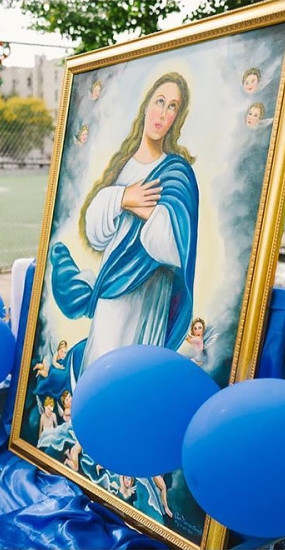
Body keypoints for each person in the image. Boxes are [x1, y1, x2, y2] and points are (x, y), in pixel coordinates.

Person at [50, 72, 199, 375]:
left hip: (149, 292)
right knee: (101, 362)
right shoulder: (122, 165)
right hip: (112, 289)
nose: (163, 113)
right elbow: (95, 234)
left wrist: (151, 214)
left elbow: (177, 248)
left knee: (134, 372)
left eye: (173, 107)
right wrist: (121, 198)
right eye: (160, 101)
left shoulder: (176, 172)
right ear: (146, 106)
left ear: (177, 118)